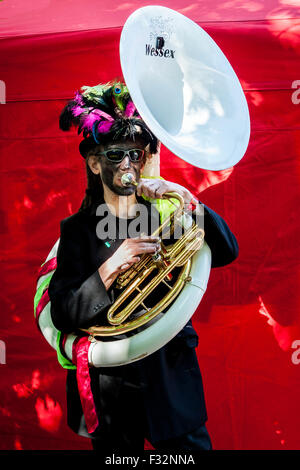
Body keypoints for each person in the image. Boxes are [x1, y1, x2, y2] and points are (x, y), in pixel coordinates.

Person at [48, 81, 239, 452]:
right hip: (112, 389)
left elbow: (228, 250)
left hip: (169, 374)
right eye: (115, 154)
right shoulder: (75, 232)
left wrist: (186, 198)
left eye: (136, 155)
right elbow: (63, 313)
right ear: (93, 162)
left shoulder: (165, 212)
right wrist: (112, 267)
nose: (127, 165)